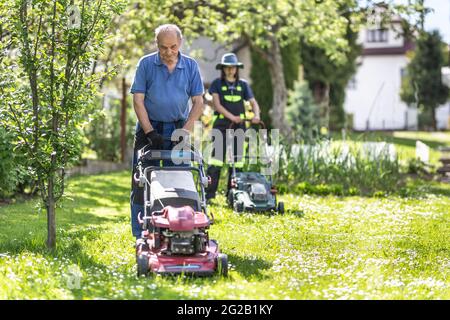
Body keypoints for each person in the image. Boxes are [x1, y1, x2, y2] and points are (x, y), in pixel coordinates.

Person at [129, 24, 204, 239]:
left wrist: (184, 130)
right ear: (157, 45)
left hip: (179, 127)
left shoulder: (190, 66)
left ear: (180, 44)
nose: (168, 52)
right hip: (149, 127)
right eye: (163, 48)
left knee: (180, 179)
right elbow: (138, 100)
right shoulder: (146, 64)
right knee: (142, 180)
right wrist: (150, 132)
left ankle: (180, 228)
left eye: (173, 47)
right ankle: (141, 233)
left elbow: (198, 102)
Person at [205, 53, 261, 201]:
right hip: (221, 126)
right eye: (227, 68)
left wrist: (257, 115)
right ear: (223, 69)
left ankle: (234, 194)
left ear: (237, 69)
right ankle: (209, 195)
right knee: (216, 160)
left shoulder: (243, 85)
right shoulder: (217, 84)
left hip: (239, 127)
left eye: (233, 68)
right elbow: (217, 105)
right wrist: (232, 117)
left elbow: (253, 103)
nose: (230, 70)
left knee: (237, 161)